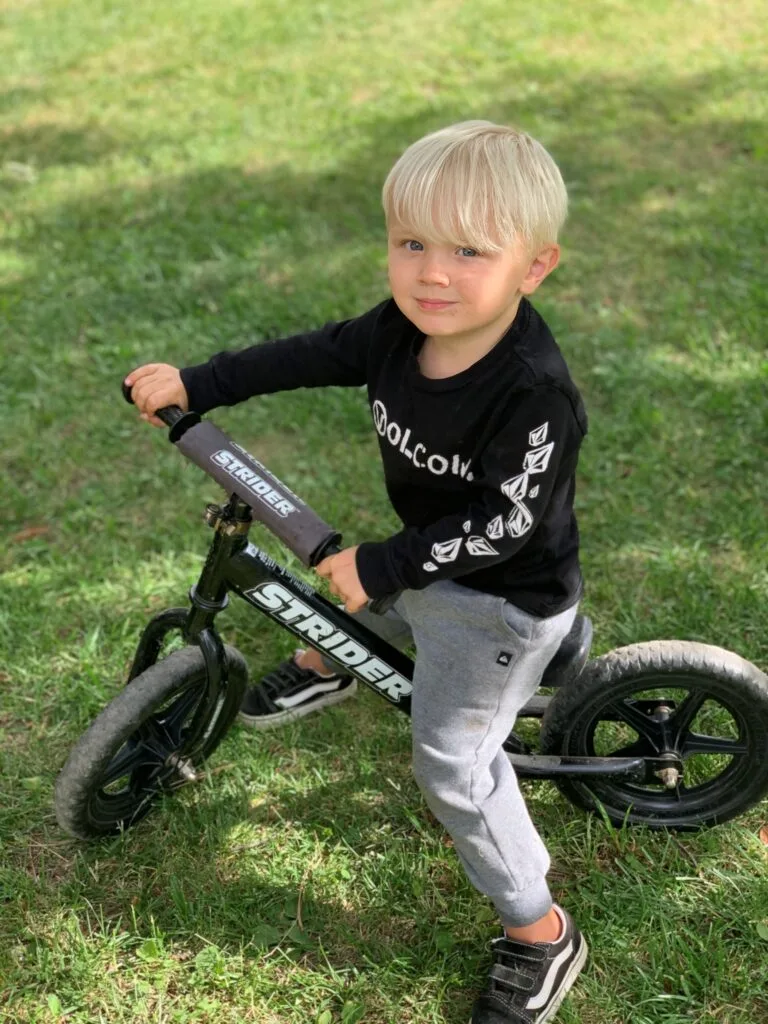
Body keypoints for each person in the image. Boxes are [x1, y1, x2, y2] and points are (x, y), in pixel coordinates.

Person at [125, 120, 589, 1024]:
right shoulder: (395, 331)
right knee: (381, 596)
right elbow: (309, 352)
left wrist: (380, 563)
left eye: (469, 250)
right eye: (411, 243)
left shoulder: (533, 391)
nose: (433, 273)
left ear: (534, 268)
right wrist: (201, 383)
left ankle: (542, 932)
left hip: (502, 602)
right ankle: (330, 656)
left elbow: (502, 524)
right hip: (432, 566)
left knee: (454, 763)